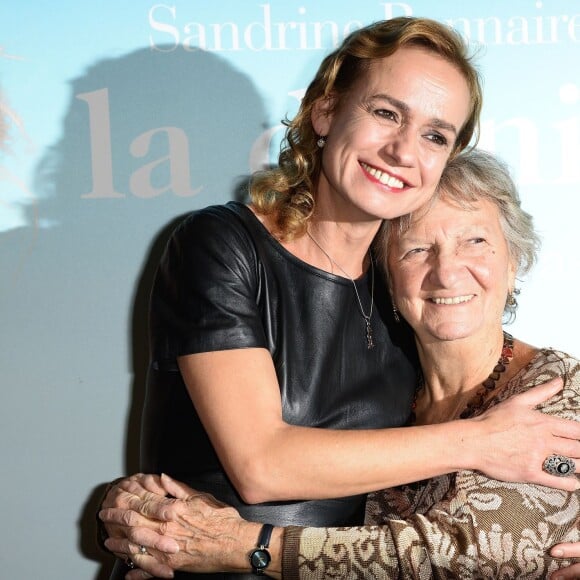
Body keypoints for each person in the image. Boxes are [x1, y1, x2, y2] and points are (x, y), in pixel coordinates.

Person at [98, 17, 580, 579]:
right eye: (385, 113)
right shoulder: (223, 244)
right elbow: (260, 465)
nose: (403, 150)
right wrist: (479, 443)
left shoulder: (408, 294)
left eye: (435, 135)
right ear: (325, 112)